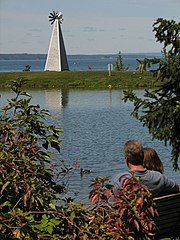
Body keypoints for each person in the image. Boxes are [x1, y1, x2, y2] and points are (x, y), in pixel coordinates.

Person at [112, 140, 179, 197]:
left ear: (126, 160)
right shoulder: (158, 177)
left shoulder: (118, 179)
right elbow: (177, 188)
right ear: (142, 156)